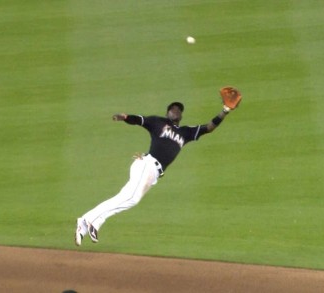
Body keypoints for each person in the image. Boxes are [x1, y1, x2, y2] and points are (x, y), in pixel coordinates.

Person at [75, 101, 232, 246]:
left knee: (129, 199)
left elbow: (209, 127)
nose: (175, 110)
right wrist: (126, 117)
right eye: (172, 109)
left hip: (153, 174)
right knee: (130, 197)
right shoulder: (158, 122)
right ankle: (89, 220)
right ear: (167, 112)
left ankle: (90, 222)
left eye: (178, 109)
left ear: (181, 115)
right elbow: (140, 120)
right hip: (146, 164)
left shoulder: (186, 133)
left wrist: (225, 111)